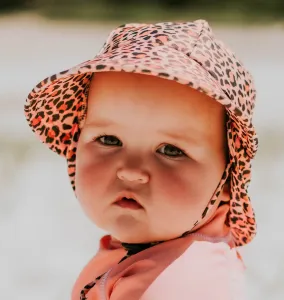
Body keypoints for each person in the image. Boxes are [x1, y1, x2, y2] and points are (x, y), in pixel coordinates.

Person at [24, 19, 258, 299]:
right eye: (109, 140)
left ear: (228, 181)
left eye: (171, 150)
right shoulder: (161, 254)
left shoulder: (175, 285)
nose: (131, 171)